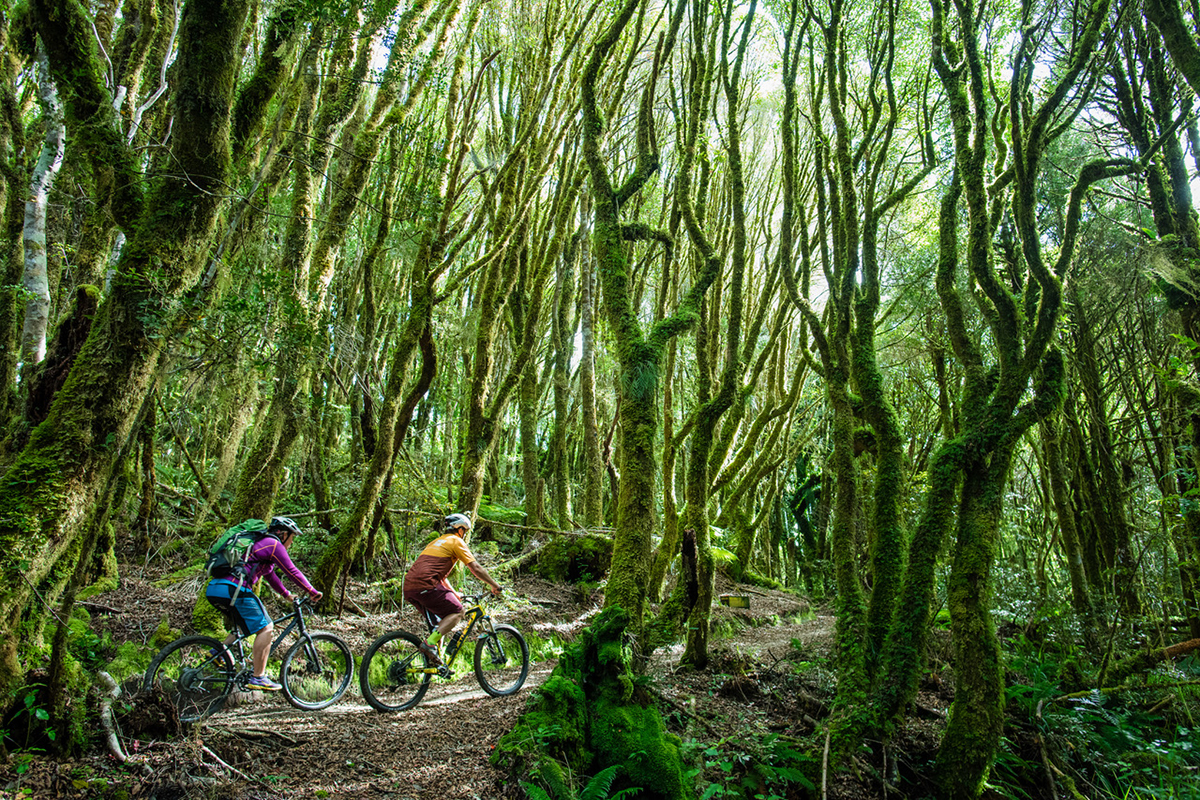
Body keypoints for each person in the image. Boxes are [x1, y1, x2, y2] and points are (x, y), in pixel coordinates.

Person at [204, 516, 324, 690]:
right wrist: (311, 591)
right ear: (283, 534)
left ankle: (219, 651)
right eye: (292, 537)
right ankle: (258, 677)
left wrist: (286, 594)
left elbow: (270, 576)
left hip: (216, 588)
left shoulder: (258, 546)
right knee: (266, 627)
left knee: (242, 626)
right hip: (234, 588)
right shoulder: (273, 544)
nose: (291, 542)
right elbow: (291, 570)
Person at [403, 513, 502, 666]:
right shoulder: (456, 541)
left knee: (439, 626)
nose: (465, 534)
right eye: (465, 531)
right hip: (426, 585)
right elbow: (475, 567)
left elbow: (440, 577)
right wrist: (493, 584)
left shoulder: (437, 542)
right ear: (460, 529)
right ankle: (430, 645)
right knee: (458, 612)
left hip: (410, 587)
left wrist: (455, 594)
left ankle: (435, 663)